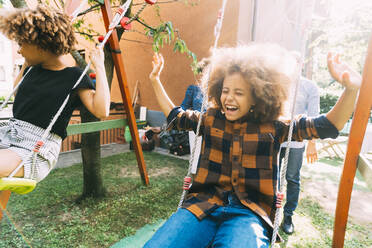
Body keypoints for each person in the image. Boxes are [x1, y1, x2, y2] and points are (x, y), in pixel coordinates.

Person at [145, 44, 361, 247]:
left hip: (248, 213)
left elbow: (328, 126)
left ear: (256, 96)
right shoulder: (211, 119)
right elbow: (177, 117)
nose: (229, 98)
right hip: (202, 206)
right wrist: (155, 80)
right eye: (225, 90)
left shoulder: (274, 126)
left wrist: (351, 89)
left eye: (239, 93)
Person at [0, 5, 110, 183]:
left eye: (22, 44)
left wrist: (100, 66)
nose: (19, 50)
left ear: (41, 46)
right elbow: (17, 91)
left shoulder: (74, 76)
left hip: (35, 150)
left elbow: (102, 110)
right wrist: (27, 62)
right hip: (9, 134)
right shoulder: (33, 69)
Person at [280, 76, 320, 234]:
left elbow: (313, 116)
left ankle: (288, 216)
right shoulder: (276, 80)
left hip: (296, 141)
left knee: (292, 178)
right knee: (272, 177)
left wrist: (312, 143)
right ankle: (270, 213)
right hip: (274, 138)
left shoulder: (309, 86)